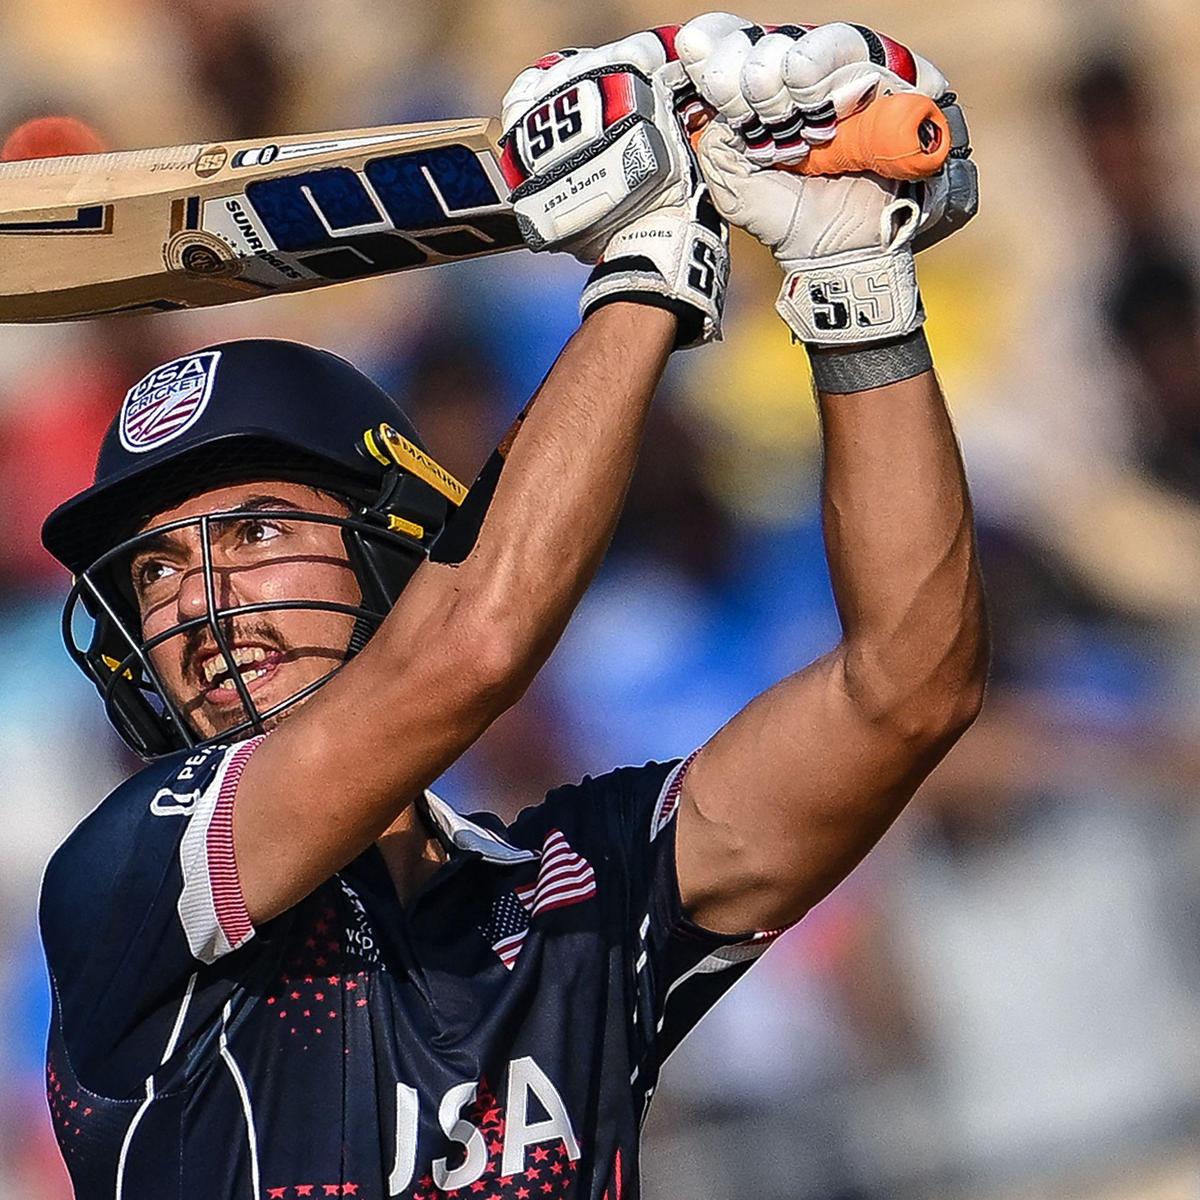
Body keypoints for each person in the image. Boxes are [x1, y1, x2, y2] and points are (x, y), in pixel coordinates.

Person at [38, 16, 985, 1200]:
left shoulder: (574, 892)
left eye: (255, 533)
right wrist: (646, 260)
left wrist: (861, 285)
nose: (201, 606)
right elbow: (473, 648)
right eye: (155, 571)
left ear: (395, 548)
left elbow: (907, 688)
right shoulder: (131, 875)